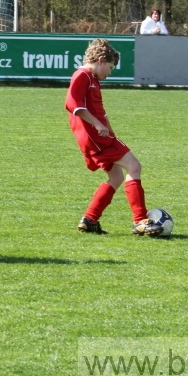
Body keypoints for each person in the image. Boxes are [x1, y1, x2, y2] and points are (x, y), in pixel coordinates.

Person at [65, 38, 162, 236]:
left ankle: (90, 219)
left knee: (116, 176)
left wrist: (107, 127)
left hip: (96, 136)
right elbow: (72, 104)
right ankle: (141, 221)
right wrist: (98, 125)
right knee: (134, 166)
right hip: (94, 137)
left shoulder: (92, 79)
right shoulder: (82, 75)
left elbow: (99, 111)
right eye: (109, 67)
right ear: (101, 60)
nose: (109, 73)